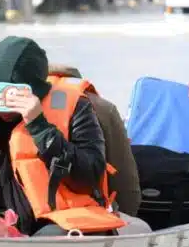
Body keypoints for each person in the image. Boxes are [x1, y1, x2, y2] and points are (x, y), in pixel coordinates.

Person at [0, 36, 124, 237]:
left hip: (57, 223)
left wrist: (39, 126)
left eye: (12, 93)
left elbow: (89, 177)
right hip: (0, 222)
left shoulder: (74, 107)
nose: (3, 103)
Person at [47, 63, 142, 218]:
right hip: (83, 219)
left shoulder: (13, 104)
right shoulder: (103, 107)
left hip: (23, 216)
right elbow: (127, 186)